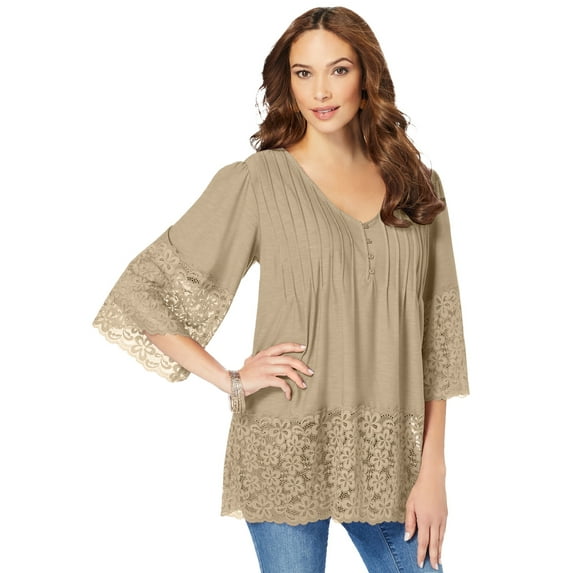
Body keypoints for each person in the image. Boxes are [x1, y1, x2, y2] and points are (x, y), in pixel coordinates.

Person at [93, 6, 469, 573]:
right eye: (303, 73)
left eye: (338, 70)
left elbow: (438, 340)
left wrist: (433, 467)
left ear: (366, 76)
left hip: (388, 453)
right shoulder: (258, 181)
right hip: (284, 442)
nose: (321, 91)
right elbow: (142, 291)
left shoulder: (417, 187)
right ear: (287, 83)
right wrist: (231, 378)